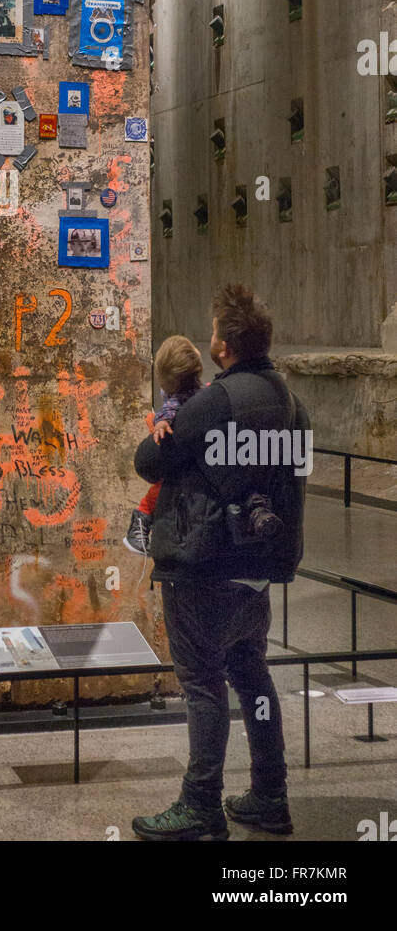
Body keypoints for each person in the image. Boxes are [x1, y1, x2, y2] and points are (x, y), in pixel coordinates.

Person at [131, 285, 308, 842]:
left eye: (213, 332)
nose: (209, 340)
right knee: (252, 677)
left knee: (204, 685)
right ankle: (270, 796)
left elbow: (149, 461)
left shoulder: (214, 402)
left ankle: (201, 805)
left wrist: (157, 426)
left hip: (205, 567)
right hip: (258, 568)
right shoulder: (288, 401)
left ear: (225, 346)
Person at [124, 336, 204, 555]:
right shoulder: (179, 398)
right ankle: (141, 518)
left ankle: (143, 518)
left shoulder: (198, 391)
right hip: (167, 434)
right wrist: (161, 424)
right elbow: (169, 408)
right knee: (162, 486)